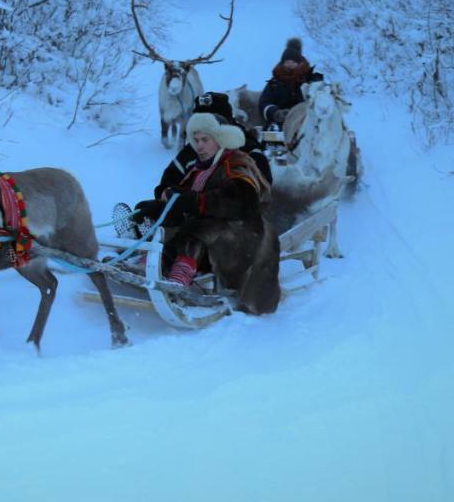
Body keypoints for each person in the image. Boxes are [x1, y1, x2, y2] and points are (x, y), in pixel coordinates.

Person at [131, 110, 280, 314]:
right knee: (175, 220)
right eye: (196, 140)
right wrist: (166, 201)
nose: (199, 145)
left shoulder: (237, 162)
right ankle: (154, 263)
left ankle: (180, 275)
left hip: (244, 237)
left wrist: (192, 201)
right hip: (214, 237)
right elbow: (188, 197)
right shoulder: (202, 169)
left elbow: (241, 202)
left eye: (205, 140)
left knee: (200, 224)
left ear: (219, 140)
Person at [151, 91, 271, 200]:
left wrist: (197, 201)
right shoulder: (194, 149)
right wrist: (166, 192)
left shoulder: (247, 148)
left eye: (212, 122)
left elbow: (260, 183)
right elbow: (170, 178)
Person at [258, 37, 324, 127]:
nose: (290, 65)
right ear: (282, 63)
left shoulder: (309, 79)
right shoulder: (274, 83)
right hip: (280, 125)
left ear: (299, 63)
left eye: (293, 62)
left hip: (306, 125)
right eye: (287, 62)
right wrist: (275, 113)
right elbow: (264, 103)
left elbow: (320, 99)